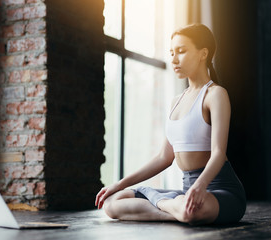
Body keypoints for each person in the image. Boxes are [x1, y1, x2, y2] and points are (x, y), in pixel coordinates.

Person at [95, 23, 246, 225]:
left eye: (181, 51)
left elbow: (218, 153)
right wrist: (120, 184)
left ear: (203, 54)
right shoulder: (177, 101)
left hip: (219, 191)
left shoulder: (215, 94)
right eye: (172, 52)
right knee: (112, 204)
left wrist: (200, 185)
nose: (174, 59)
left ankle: (165, 202)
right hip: (186, 193)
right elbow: (163, 157)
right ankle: (176, 209)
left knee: (190, 211)